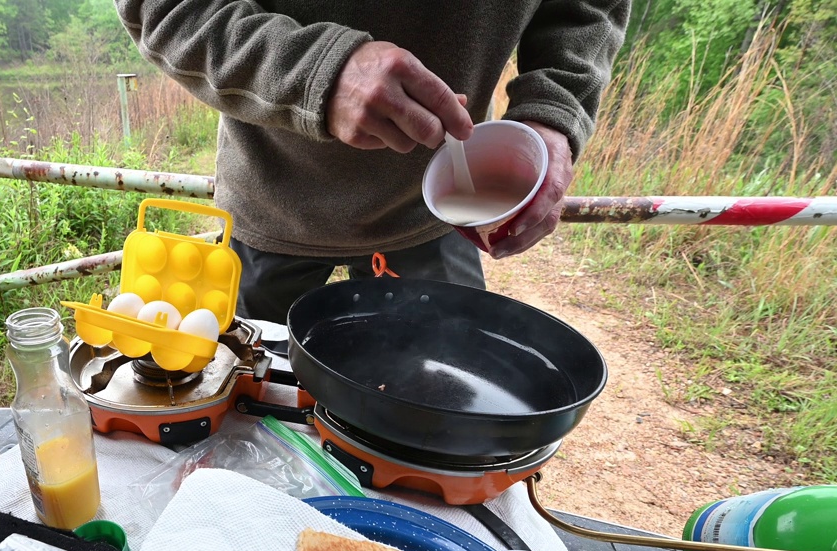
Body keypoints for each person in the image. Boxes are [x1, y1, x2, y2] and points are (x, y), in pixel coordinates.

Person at [115, 1, 630, 323]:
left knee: (436, 410)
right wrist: (316, 71)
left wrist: (556, 110)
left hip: (435, 219)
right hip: (270, 202)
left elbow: (588, 8)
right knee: (247, 401)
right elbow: (164, 8)